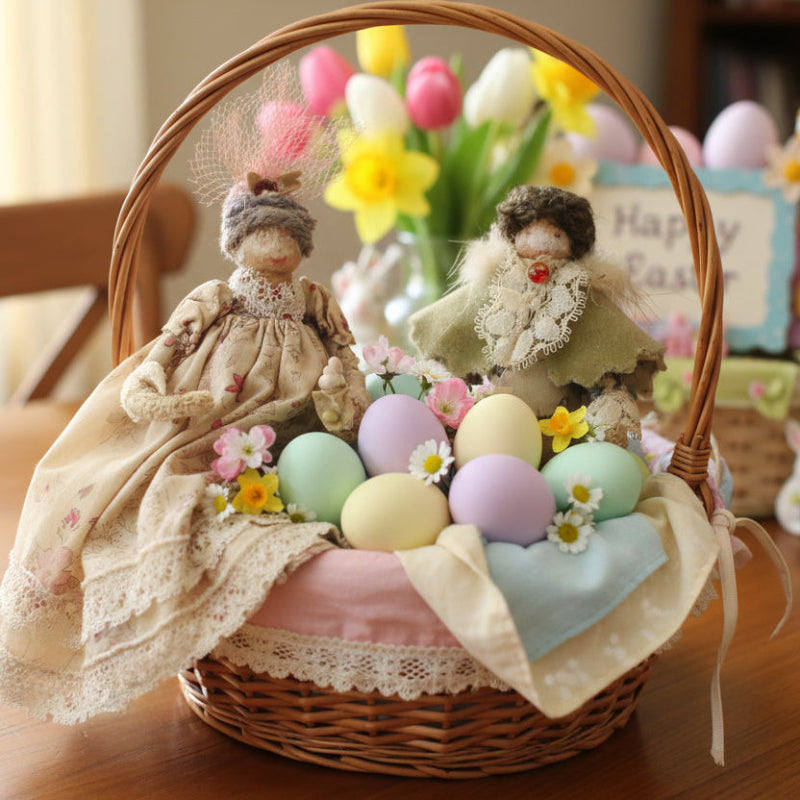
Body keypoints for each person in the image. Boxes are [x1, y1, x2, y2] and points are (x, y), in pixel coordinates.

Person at [0, 178, 371, 723]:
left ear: (301, 243)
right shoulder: (219, 297)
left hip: (303, 414)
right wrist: (150, 377)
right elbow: (174, 339)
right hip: (220, 408)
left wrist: (351, 387)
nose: (276, 245)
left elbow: (344, 346)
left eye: (287, 233)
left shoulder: (314, 299)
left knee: (319, 455)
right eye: (262, 232)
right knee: (169, 461)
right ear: (238, 241)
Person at [409, 185, 665, 446]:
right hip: (490, 424)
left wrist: (609, 392)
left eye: (556, 234)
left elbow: (604, 336)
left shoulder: (577, 291)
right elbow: (458, 313)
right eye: (528, 232)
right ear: (514, 233)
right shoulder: (498, 281)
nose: (541, 242)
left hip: (561, 430)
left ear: (573, 241)